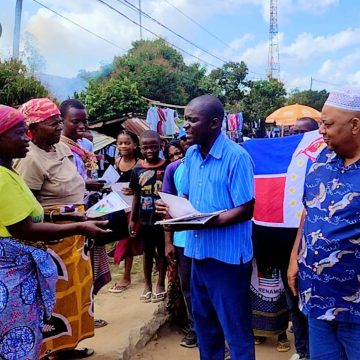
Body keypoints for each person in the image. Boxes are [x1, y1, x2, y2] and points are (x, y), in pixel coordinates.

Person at [0, 105, 109, 360]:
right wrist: (80, 226)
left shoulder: (8, 173)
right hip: (12, 271)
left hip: (29, 260)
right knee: (18, 334)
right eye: (19, 133)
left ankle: (64, 346)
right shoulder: (5, 177)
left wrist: (61, 215)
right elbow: (23, 228)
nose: (25, 137)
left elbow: (31, 212)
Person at [157, 95, 255, 360]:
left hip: (228, 260)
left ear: (214, 123)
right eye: (185, 119)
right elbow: (185, 197)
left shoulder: (237, 158)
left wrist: (207, 220)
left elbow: (247, 209)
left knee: (236, 333)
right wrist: (173, 210)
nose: (185, 126)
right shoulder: (190, 155)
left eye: (192, 120)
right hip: (197, 253)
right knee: (205, 328)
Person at [288, 90, 360, 360]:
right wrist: (295, 257)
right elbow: (308, 214)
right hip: (317, 300)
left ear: (355, 125)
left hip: (355, 308)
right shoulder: (321, 162)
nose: (320, 131)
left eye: (327, 124)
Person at [162, 137, 197, 348]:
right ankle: (194, 328)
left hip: (210, 237)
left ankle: (214, 330)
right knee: (189, 288)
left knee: (210, 286)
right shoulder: (174, 169)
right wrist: (168, 242)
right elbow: (167, 207)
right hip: (183, 239)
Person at [129, 130, 167, 303]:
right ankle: (147, 286)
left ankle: (160, 284)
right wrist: (132, 219)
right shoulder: (137, 169)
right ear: (140, 148)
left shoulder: (167, 167)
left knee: (162, 252)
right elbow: (136, 195)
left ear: (161, 146)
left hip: (163, 218)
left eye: (154, 147)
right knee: (147, 252)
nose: (149, 150)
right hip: (145, 219)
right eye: (145, 147)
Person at [108, 130, 143, 293]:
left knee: (128, 239)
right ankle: (127, 275)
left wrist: (136, 190)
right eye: (120, 143)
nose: (123, 146)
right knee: (128, 239)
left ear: (135, 145)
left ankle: (126, 277)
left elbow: (147, 186)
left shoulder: (140, 164)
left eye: (127, 143)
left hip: (135, 208)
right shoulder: (117, 162)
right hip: (119, 207)